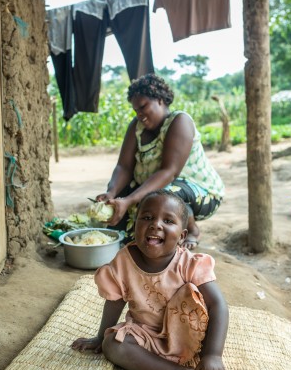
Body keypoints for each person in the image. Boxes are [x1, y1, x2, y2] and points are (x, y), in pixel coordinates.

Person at [72, 190, 229, 370]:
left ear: (182, 236)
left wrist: (213, 355)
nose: (156, 224)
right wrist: (100, 337)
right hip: (145, 335)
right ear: (134, 226)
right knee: (112, 345)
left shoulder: (189, 264)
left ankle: (190, 363)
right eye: (147, 218)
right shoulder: (123, 262)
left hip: (191, 338)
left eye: (168, 220)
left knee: (208, 338)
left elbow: (218, 305)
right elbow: (114, 302)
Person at [96, 73, 225, 250]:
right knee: (122, 236)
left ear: (160, 100)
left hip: (201, 193)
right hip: (156, 191)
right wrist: (111, 193)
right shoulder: (137, 127)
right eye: (136, 110)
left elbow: (169, 172)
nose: (139, 114)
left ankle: (192, 229)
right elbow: (124, 166)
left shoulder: (180, 121)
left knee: (165, 195)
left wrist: (130, 200)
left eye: (143, 107)